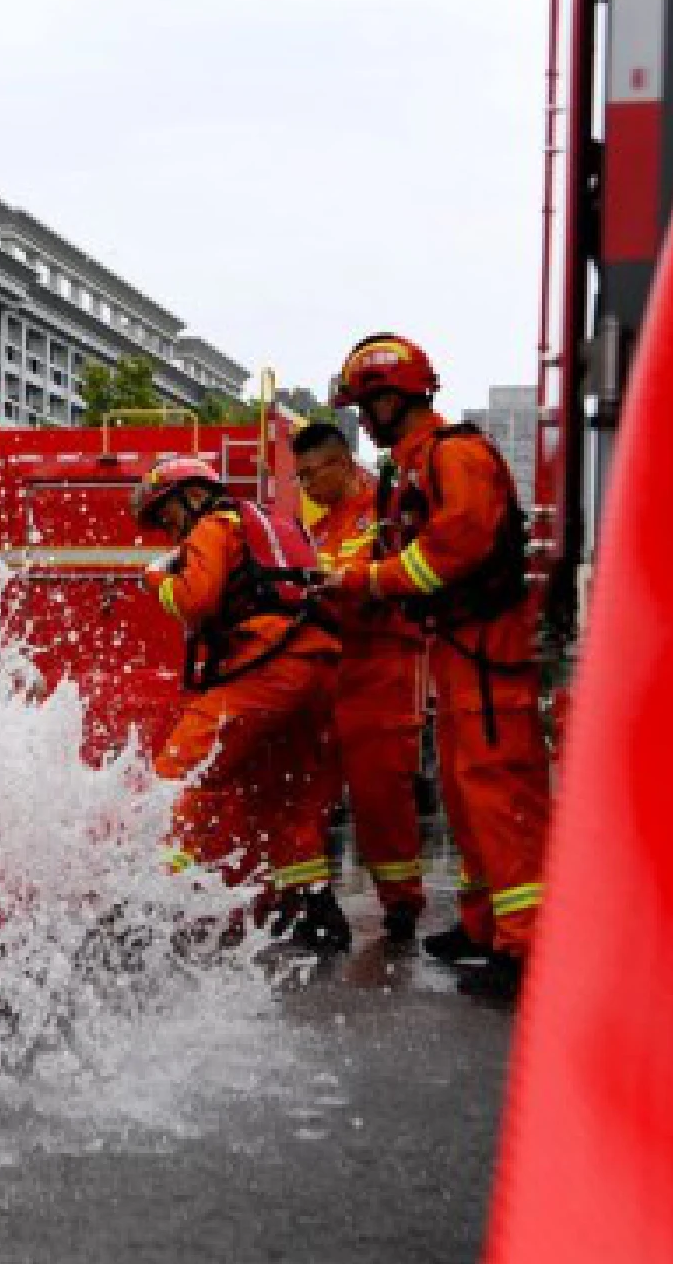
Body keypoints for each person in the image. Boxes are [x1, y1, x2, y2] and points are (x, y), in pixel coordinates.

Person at [324, 333, 549, 1000]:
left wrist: (372, 581)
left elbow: (458, 545)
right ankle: (485, 926)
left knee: (497, 792)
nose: (363, 421)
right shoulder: (419, 464)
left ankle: (527, 945)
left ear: (394, 398)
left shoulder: (457, 457)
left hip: (487, 649)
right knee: (462, 786)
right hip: (458, 647)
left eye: (367, 406)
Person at [133, 456, 351, 950]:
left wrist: (155, 581)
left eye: (167, 516)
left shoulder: (213, 525)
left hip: (269, 666)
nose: (169, 531)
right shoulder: (272, 523)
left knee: (180, 775)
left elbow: (196, 602)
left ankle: (149, 907)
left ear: (191, 496)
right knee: (284, 797)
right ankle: (316, 911)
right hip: (318, 669)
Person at [293, 422, 429, 942]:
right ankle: (311, 903)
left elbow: (384, 573)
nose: (305, 486)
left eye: (311, 474)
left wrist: (331, 577)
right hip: (330, 667)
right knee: (308, 789)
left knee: (381, 794)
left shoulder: (386, 511)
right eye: (299, 477)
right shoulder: (323, 529)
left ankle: (401, 905)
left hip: (382, 664)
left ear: (342, 463)